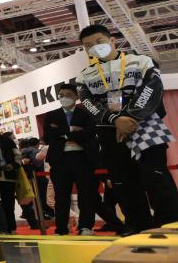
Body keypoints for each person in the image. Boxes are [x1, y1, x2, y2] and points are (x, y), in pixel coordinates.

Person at [77, 24, 178, 230]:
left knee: (155, 175)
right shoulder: (84, 76)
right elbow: (89, 104)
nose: (94, 47)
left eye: (99, 41)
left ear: (112, 40)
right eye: (88, 45)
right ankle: (138, 227)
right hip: (109, 131)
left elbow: (151, 89)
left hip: (145, 125)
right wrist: (115, 120)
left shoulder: (141, 61)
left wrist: (130, 117)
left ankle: (170, 223)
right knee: (123, 182)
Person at [42, 83, 102, 235]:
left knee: (86, 195)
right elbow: (48, 137)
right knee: (61, 197)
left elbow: (89, 133)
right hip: (60, 160)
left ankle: (85, 226)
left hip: (83, 158)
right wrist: (72, 130)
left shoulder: (86, 114)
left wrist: (62, 133)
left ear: (76, 96)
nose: (64, 98)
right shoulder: (51, 115)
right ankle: (61, 228)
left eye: (68, 95)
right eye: (61, 95)